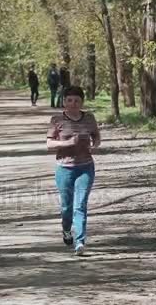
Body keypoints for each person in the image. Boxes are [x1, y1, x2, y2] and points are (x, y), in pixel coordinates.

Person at [46, 86, 101, 256]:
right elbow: (49, 144)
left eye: (77, 100)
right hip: (64, 168)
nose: (73, 103)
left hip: (85, 167)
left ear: (82, 102)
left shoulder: (89, 118)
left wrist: (95, 144)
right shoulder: (57, 120)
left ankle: (80, 242)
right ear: (64, 102)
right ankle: (66, 230)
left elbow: (96, 135)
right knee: (66, 207)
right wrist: (67, 143)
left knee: (80, 205)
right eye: (69, 100)